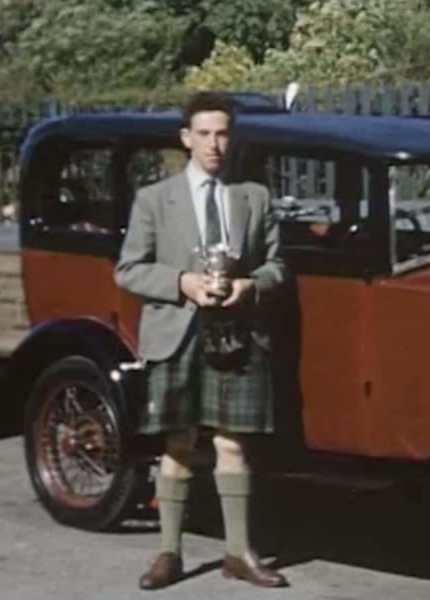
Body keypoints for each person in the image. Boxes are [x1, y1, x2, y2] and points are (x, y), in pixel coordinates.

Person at [115, 91, 289, 590]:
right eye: (205, 134)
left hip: (237, 333)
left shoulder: (254, 197)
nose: (215, 144)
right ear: (186, 138)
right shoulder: (155, 198)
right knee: (179, 442)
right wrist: (182, 284)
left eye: (223, 133)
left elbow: (278, 266)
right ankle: (169, 552)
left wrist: (250, 286)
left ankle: (238, 553)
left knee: (233, 444)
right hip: (178, 333)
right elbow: (128, 269)